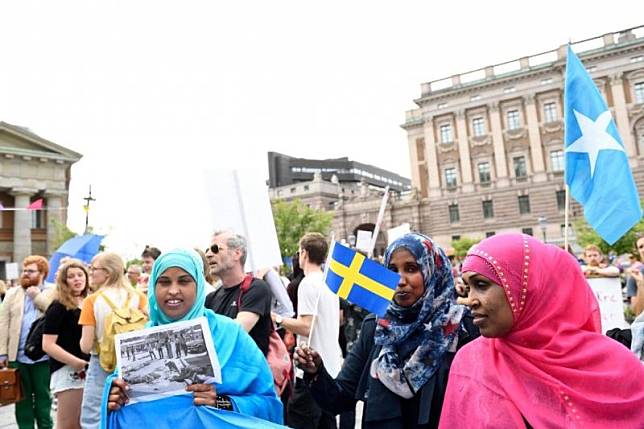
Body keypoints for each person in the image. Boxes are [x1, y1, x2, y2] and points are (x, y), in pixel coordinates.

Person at [440, 233, 644, 428]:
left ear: (527, 288)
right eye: (468, 287)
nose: (471, 300)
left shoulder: (614, 364)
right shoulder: (471, 362)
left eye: (481, 285)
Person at [294, 232, 477, 429]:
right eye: (392, 270)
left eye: (411, 268)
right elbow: (341, 397)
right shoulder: (375, 327)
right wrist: (315, 372)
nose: (399, 280)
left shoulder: (464, 328)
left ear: (433, 270)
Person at [104, 248, 283, 427]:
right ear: (153, 287)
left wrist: (219, 401)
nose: (173, 290)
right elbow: (117, 403)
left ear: (198, 286)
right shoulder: (139, 341)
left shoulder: (230, 334)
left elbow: (267, 404)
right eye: (164, 282)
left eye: (184, 281)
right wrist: (113, 396)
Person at [78, 252, 148, 429]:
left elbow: (85, 347)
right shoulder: (139, 297)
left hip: (102, 364)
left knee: (94, 416)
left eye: (94, 269)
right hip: (134, 364)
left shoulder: (92, 301)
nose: (90, 272)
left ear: (107, 272)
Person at [0, 255, 54, 429]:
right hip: (18, 356)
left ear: (43, 273)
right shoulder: (12, 293)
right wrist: (3, 352)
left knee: (43, 398)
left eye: (31, 271)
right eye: (24, 270)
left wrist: (36, 297)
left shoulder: (53, 291)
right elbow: (3, 323)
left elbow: (54, 314)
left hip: (43, 356)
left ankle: (45, 426)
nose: (25, 274)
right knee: (21, 400)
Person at [204, 231, 273, 356]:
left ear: (237, 253)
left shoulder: (256, 288)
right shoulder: (210, 298)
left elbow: (236, 331)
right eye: (207, 250)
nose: (208, 254)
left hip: (250, 373)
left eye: (215, 249)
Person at [42, 259, 91, 429]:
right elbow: (48, 344)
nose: (77, 279)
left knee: (85, 422)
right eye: (71, 276)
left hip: (90, 369)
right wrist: (76, 363)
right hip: (68, 370)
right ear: (64, 281)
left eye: (80, 275)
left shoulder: (90, 303)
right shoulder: (58, 307)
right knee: (69, 424)